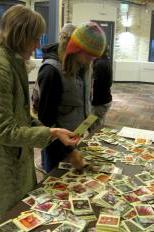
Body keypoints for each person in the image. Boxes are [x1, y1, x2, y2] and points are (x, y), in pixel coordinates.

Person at [0, 4, 79, 217]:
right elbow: (5, 130)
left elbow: (22, 118)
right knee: (11, 216)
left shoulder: (13, 62)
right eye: (35, 38)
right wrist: (51, 132)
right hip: (6, 165)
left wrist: (53, 131)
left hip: (17, 159)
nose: (37, 46)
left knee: (21, 213)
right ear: (20, 36)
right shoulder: (3, 69)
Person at [32, 22, 106, 173]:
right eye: (89, 55)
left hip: (73, 140)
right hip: (56, 147)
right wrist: (69, 152)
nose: (92, 60)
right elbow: (46, 123)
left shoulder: (83, 66)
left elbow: (82, 101)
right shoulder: (51, 73)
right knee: (54, 184)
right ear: (76, 49)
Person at [92, 46, 112, 128]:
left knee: (95, 126)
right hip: (105, 99)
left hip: (100, 101)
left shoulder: (99, 64)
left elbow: (96, 84)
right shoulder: (105, 61)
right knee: (99, 122)